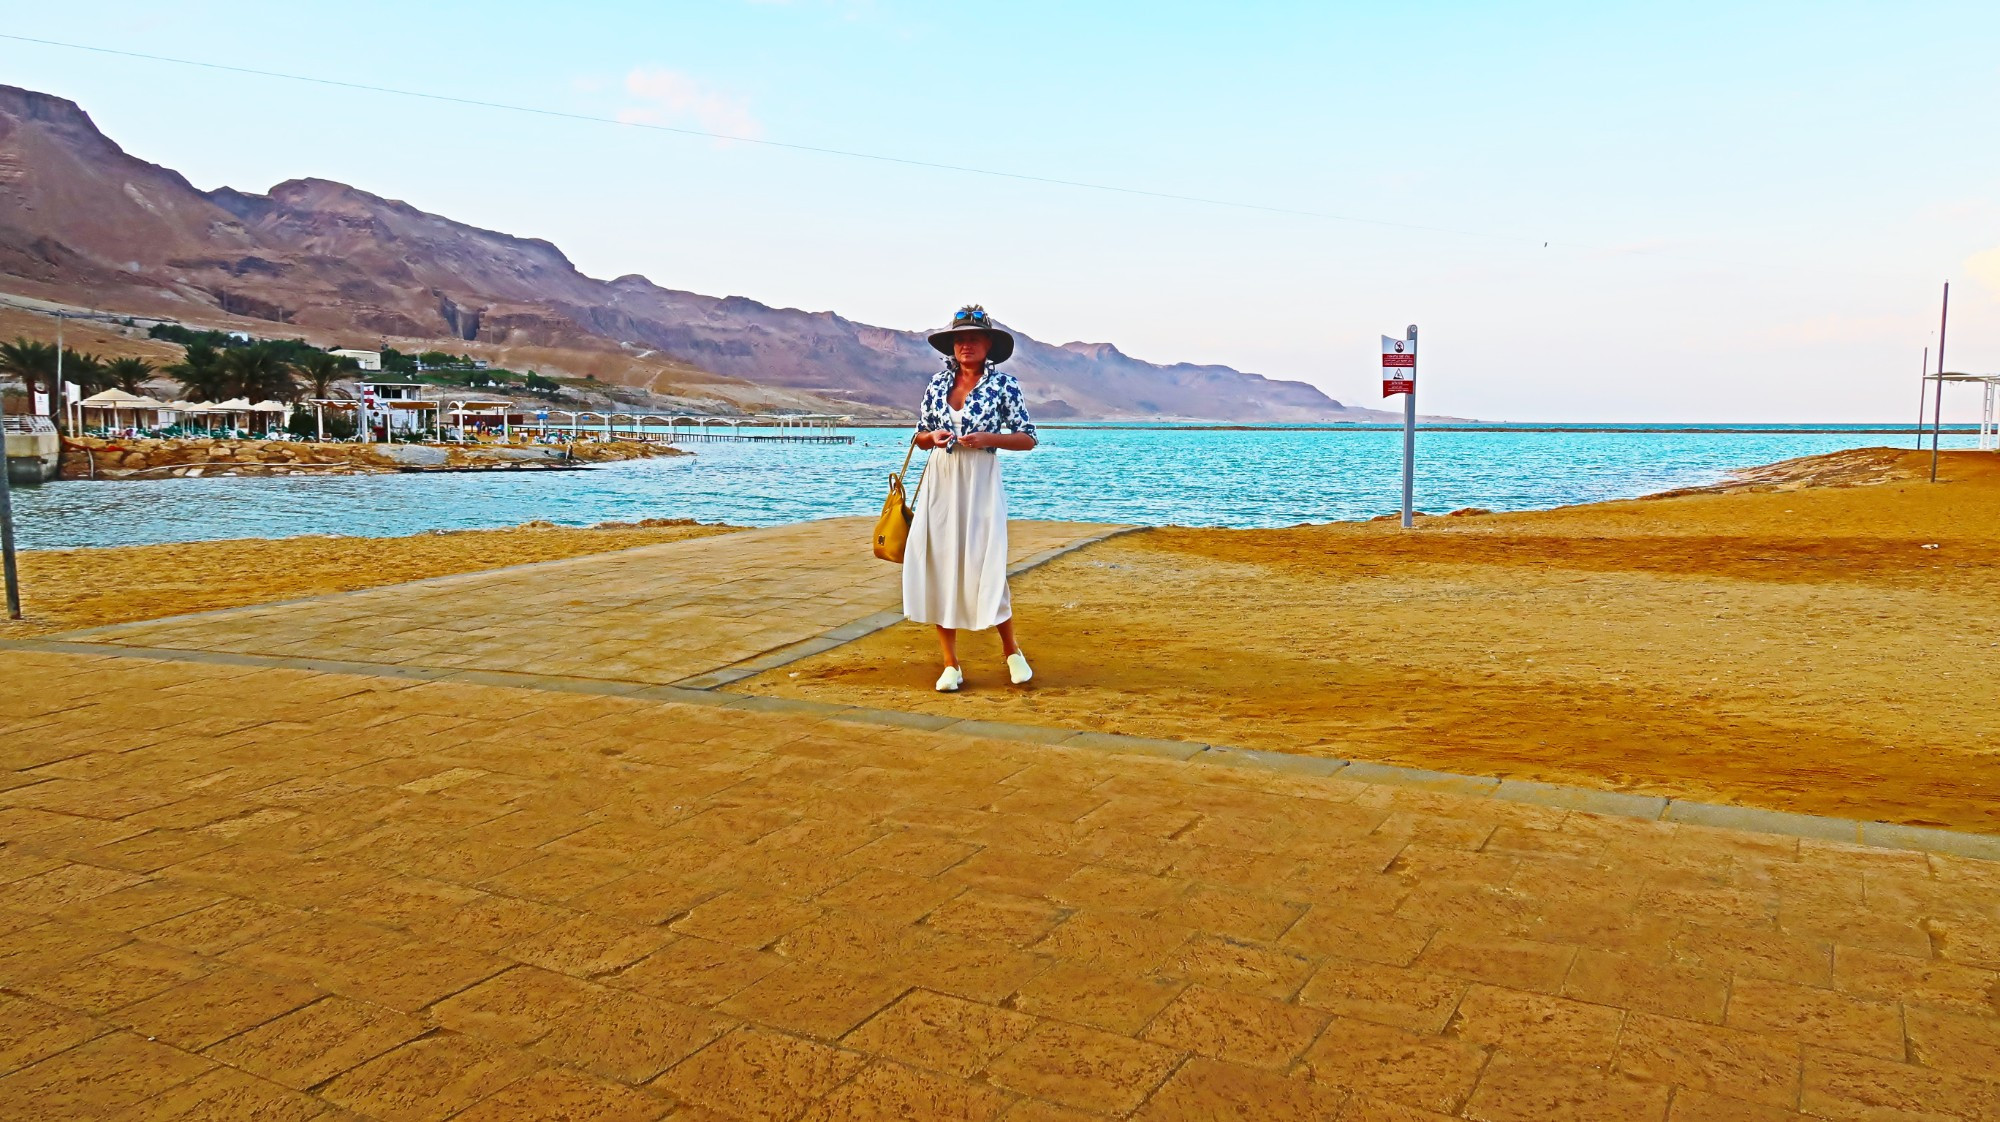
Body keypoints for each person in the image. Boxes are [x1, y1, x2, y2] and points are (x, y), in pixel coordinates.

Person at [904, 305, 1039, 692]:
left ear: (988, 345)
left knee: (987, 562)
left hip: (980, 480)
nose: (966, 345)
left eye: (974, 339)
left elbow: (1028, 438)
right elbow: (920, 435)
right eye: (960, 339)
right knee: (940, 563)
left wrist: (988, 439)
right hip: (941, 481)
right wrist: (933, 438)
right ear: (952, 345)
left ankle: (1011, 651)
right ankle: (950, 664)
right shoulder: (936, 385)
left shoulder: (1005, 386)